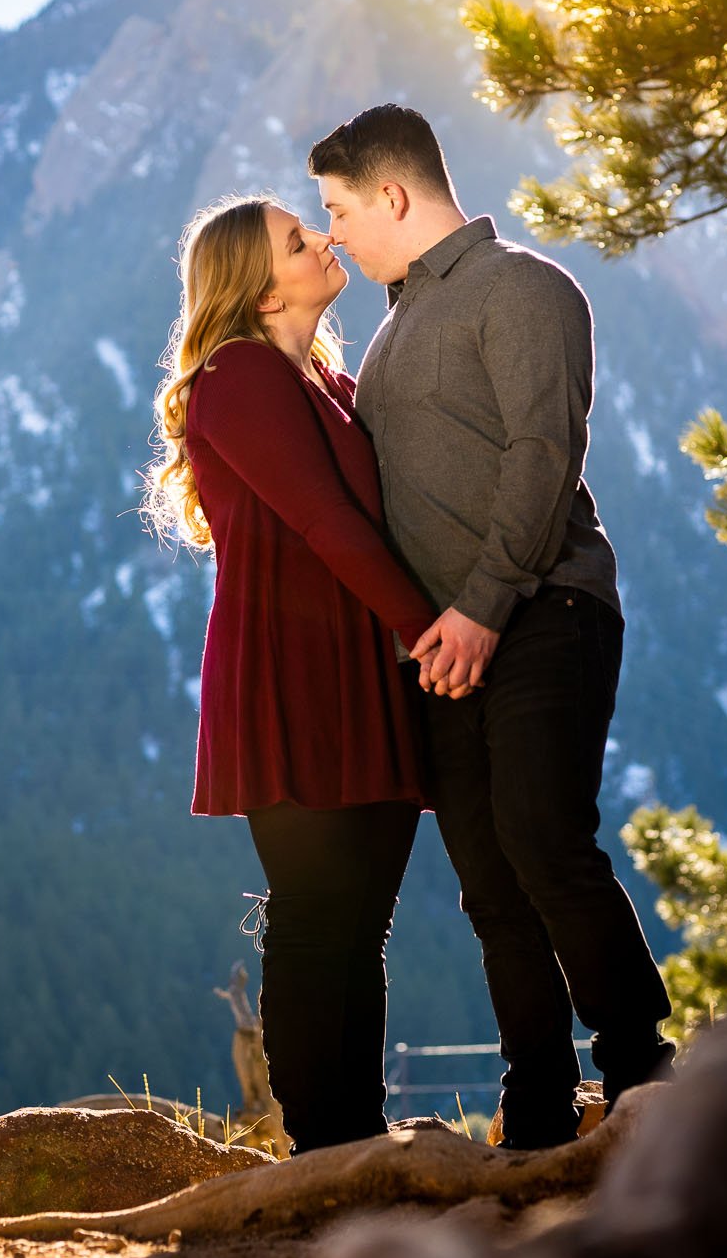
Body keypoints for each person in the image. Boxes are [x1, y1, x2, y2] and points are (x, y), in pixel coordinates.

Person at [310, 102, 677, 1149]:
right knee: (487, 881)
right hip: (445, 647)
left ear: (392, 193)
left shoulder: (523, 287)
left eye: (338, 209)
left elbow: (542, 451)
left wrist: (480, 603)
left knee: (543, 838)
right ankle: (537, 1111)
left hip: (546, 607)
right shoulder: (391, 328)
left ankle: (643, 1068)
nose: (332, 230)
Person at [142, 193, 441, 1154]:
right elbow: (324, 521)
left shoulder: (324, 379)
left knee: (359, 924)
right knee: (318, 918)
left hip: (362, 662)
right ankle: (325, 1144)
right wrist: (429, 633)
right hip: (292, 669)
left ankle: (355, 1133)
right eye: (297, 239)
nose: (324, 240)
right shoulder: (236, 377)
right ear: (261, 289)